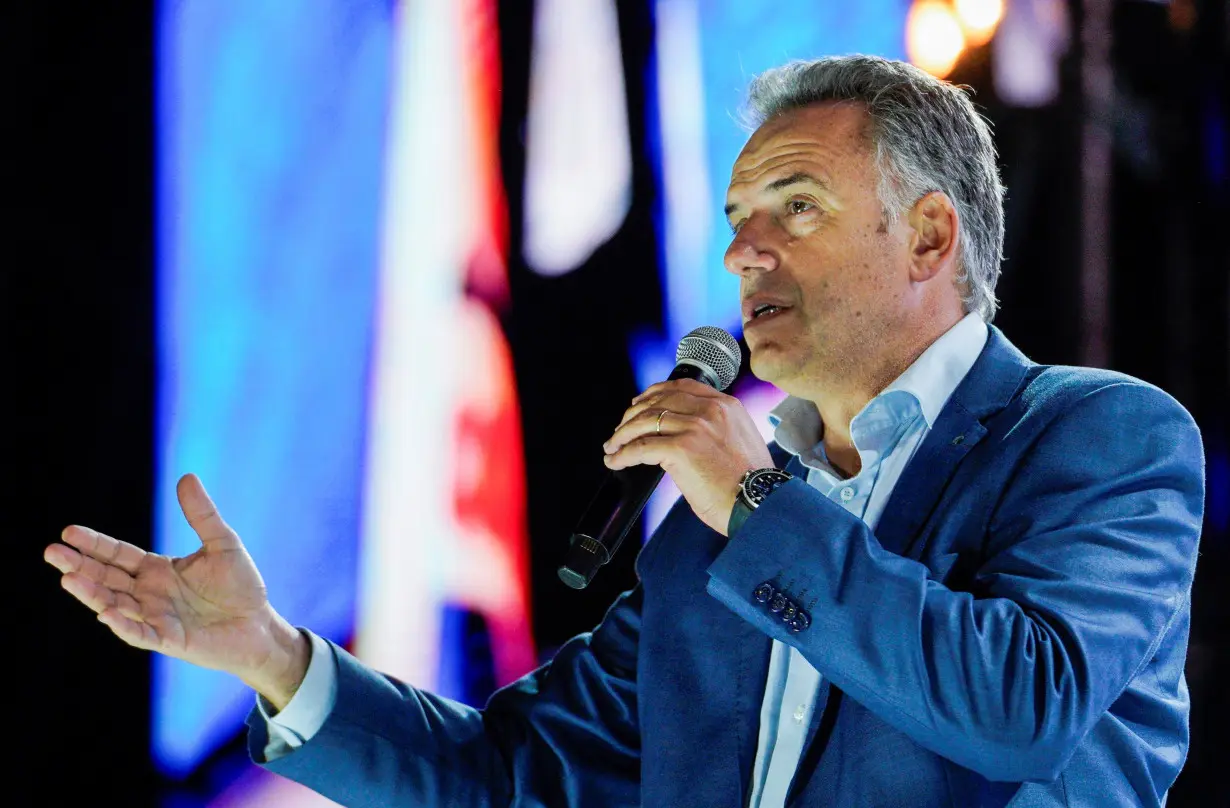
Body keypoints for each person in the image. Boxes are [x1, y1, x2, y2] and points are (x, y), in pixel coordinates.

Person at [45, 55, 1204, 807]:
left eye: (795, 207)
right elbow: (508, 776)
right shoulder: (711, 536)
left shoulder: (1099, 439)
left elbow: (1022, 705)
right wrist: (273, 658)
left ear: (930, 237)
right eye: (737, 219)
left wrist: (758, 505)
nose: (745, 252)